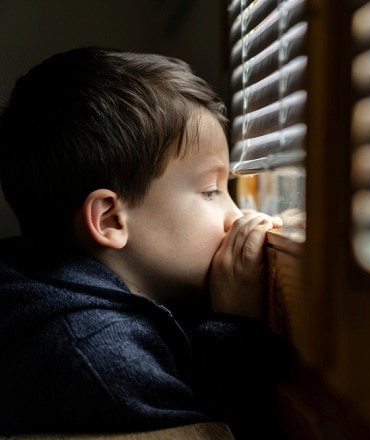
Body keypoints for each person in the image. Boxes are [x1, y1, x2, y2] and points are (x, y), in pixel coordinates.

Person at [0, 47, 290, 438]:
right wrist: (233, 324)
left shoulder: (59, 284)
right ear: (111, 220)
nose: (235, 216)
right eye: (210, 191)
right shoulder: (101, 359)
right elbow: (227, 430)